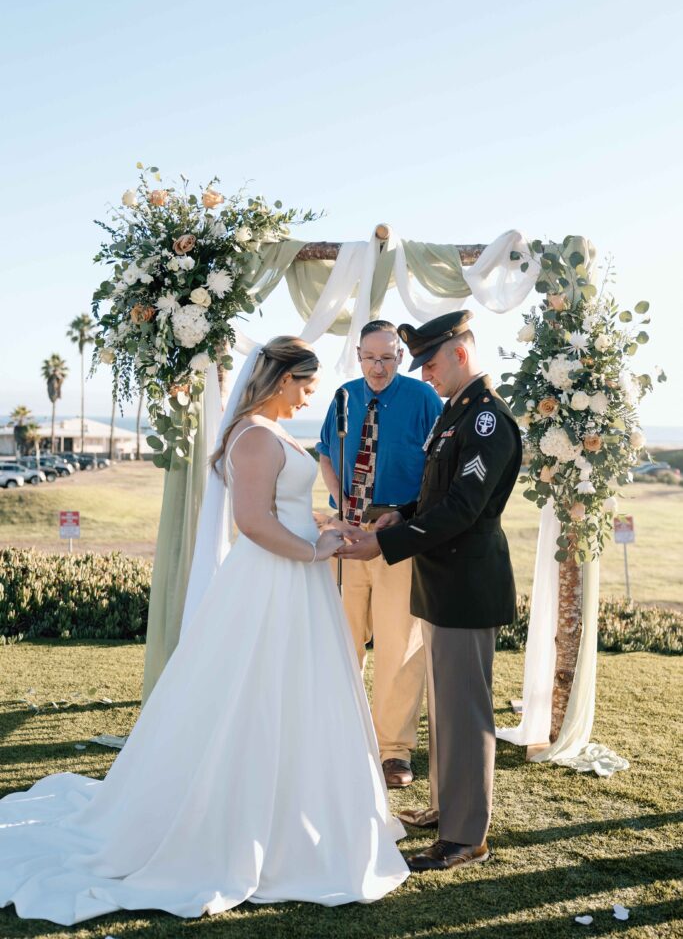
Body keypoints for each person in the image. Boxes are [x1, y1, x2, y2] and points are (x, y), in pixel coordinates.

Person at [0, 337, 408, 925]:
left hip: (294, 578)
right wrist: (316, 550)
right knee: (254, 691)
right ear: (280, 379)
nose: (306, 399)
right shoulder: (254, 436)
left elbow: (280, 509)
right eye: (304, 387)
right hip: (274, 581)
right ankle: (242, 821)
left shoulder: (269, 432)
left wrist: (322, 523)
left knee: (297, 693)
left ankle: (299, 811)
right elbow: (251, 523)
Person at [340, 312, 522, 872]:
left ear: (461, 355)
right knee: (445, 711)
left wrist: (388, 545)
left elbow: (465, 509)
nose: (427, 375)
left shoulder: (487, 420)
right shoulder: (454, 415)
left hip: (467, 583)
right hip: (442, 581)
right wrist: (401, 514)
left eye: (433, 364)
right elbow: (437, 498)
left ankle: (466, 835)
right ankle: (448, 809)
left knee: (465, 713)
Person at [317, 320, 443, 789]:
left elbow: (439, 464)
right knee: (343, 642)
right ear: (358, 356)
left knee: (398, 646)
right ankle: (342, 737)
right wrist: (340, 504)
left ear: (399, 357)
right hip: (348, 536)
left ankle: (394, 752)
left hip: (398, 536)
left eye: (388, 357)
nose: (379, 366)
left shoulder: (424, 400)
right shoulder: (344, 396)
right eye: (371, 357)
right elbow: (326, 454)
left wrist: (410, 518)